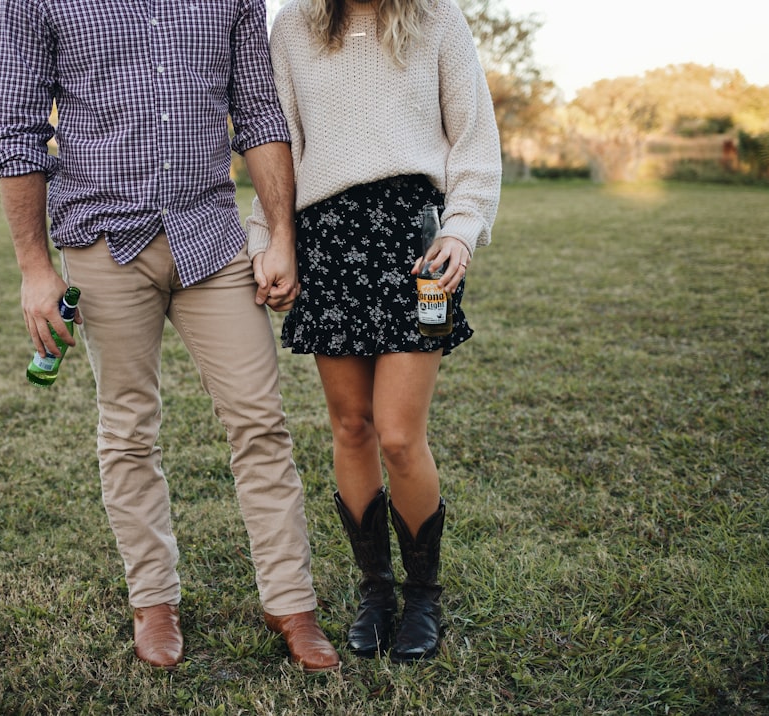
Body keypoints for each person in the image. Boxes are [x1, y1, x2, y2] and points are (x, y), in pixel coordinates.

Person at [0, 0, 339, 672]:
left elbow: (260, 115)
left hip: (211, 234)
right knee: (127, 429)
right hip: (102, 240)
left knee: (260, 422)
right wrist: (34, 268)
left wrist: (281, 234)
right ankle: (154, 601)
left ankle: (292, 604)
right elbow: (14, 129)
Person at [246, 0, 501, 661]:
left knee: (397, 431)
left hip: (417, 242)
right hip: (326, 239)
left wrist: (462, 229)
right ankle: (376, 591)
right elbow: (277, 146)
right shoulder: (293, 27)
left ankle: (422, 597)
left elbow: (473, 136)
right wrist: (268, 241)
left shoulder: (438, 18)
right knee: (351, 426)